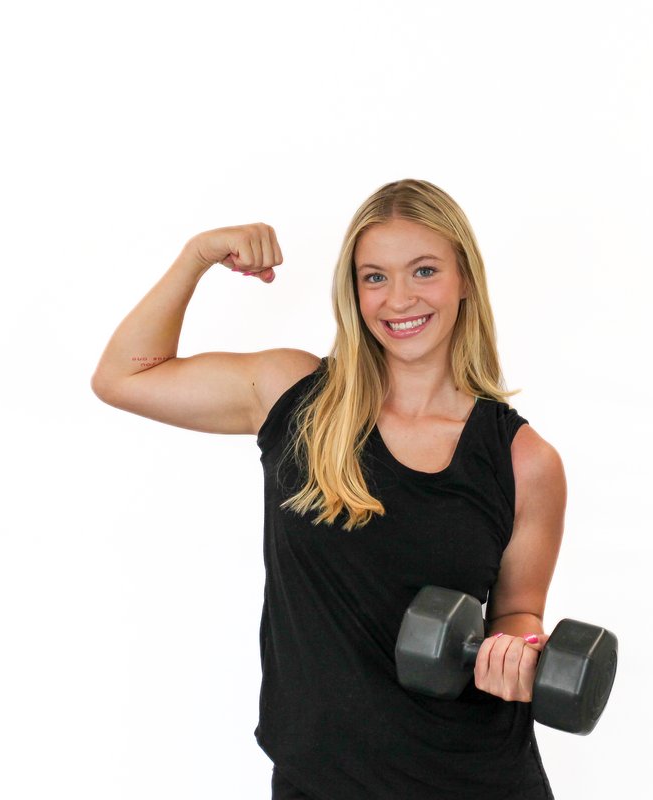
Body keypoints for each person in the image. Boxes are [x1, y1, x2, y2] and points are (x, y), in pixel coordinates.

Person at [91, 178, 567, 799]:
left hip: (473, 778)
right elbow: (122, 377)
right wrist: (197, 255)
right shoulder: (294, 397)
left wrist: (518, 650)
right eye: (375, 277)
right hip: (320, 782)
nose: (399, 299)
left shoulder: (524, 460)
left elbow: (516, 612)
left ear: (465, 281)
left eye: (423, 271)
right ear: (353, 290)